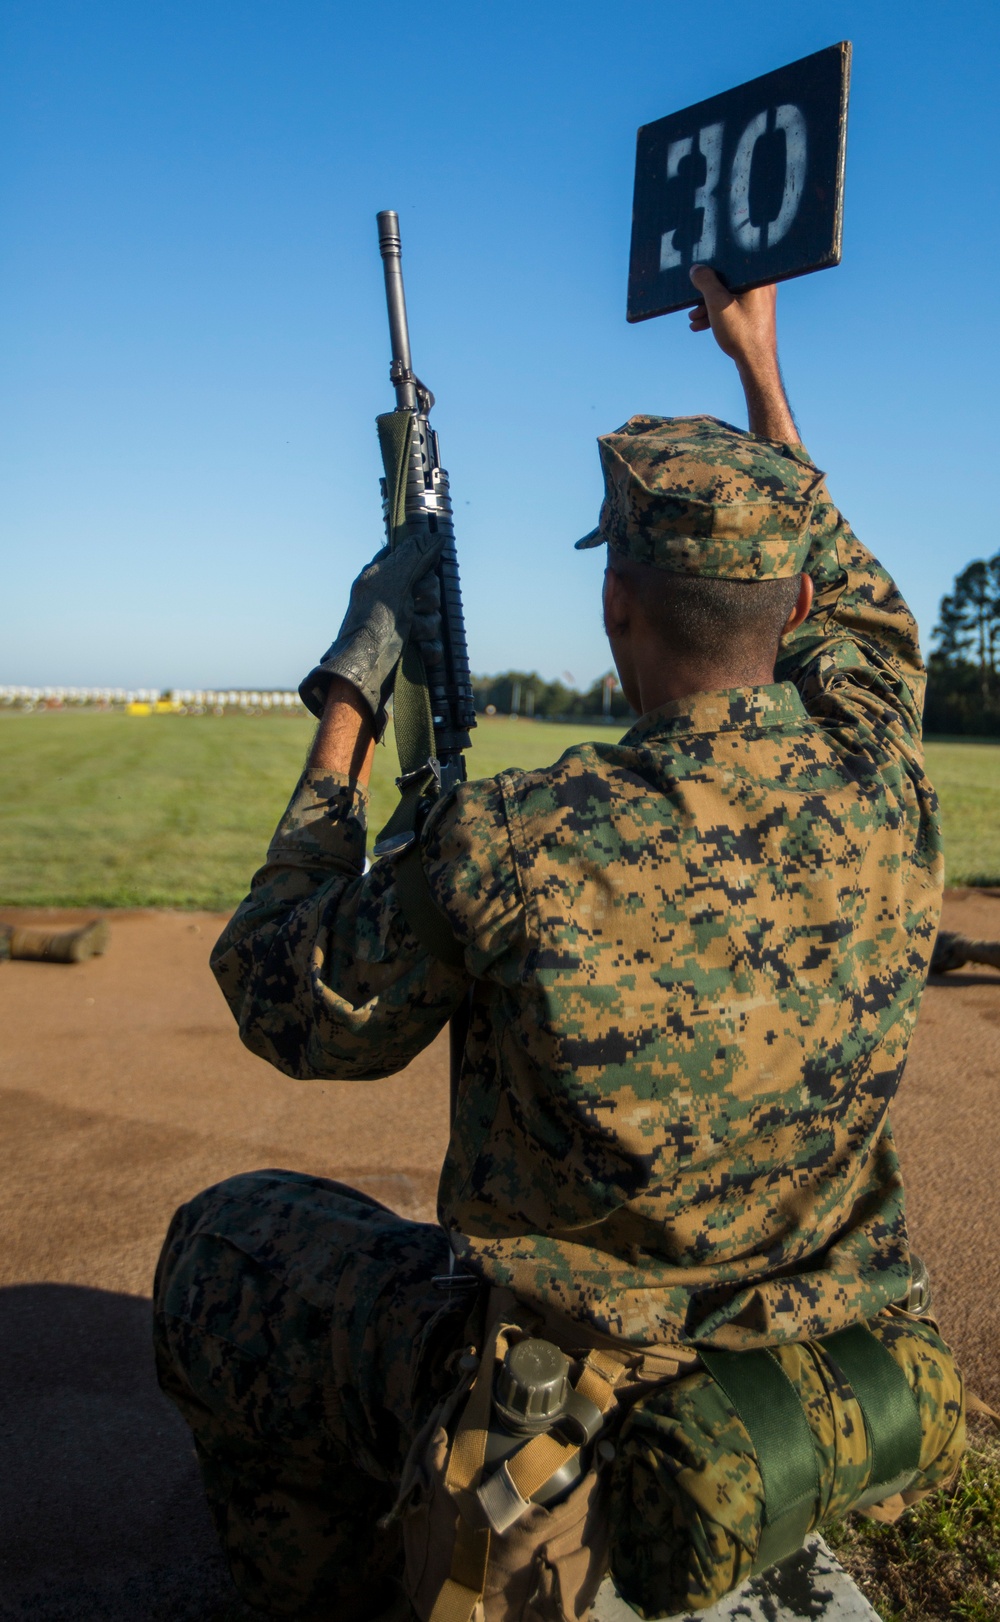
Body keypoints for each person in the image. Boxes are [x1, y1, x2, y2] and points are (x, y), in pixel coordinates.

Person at [153, 266, 943, 1621]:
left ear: (615, 607)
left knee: (221, 1246)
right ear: (794, 611)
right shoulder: (885, 776)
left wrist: (353, 681)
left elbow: (279, 991)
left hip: (567, 1396)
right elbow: (857, 595)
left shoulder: (524, 838)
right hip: (791, 1358)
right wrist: (761, 362)